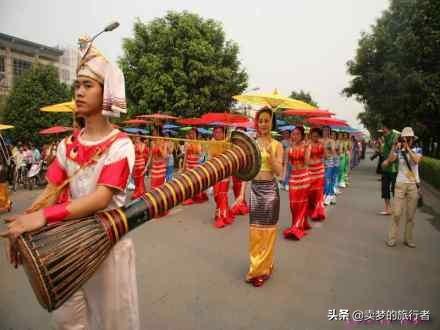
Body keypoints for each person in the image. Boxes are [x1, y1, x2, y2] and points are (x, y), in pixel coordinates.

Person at [1, 39, 140, 329]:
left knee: (110, 321)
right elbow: (50, 193)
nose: (78, 91)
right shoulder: (67, 145)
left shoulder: (121, 145)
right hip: (68, 246)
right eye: (77, 84)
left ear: (106, 93)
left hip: (108, 244)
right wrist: (23, 227)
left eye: (88, 85)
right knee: (69, 321)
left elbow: (100, 199)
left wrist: (40, 218)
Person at [246, 107, 283, 287]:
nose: (263, 124)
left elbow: (280, 172)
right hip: (254, 190)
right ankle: (258, 266)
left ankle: (261, 270)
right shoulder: (251, 144)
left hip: (269, 191)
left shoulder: (277, 145)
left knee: (267, 232)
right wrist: (240, 195)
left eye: (267, 120)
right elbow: (246, 171)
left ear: (271, 122)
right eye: (260, 120)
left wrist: (270, 157)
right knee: (255, 232)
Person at [384, 127, 422, 248]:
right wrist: (394, 147)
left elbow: (416, 161)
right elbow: (390, 160)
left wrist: (408, 149)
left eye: (408, 139)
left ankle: (408, 239)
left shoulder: (418, 149)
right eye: (404, 138)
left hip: (413, 185)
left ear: (412, 139)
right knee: (397, 213)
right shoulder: (399, 149)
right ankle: (391, 238)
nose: (406, 140)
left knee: (410, 215)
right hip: (400, 184)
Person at [284, 126, 311, 240]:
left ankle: (297, 226)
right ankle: (298, 223)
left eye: (297, 134)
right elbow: (285, 163)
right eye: (293, 134)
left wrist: (306, 149)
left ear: (302, 135)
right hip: (293, 177)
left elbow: (307, 162)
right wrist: (283, 176)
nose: (294, 136)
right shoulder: (288, 149)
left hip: (303, 177)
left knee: (302, 203)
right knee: (293, 204)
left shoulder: (306, 147)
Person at [209, 126, 235, 228]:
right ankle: (224, 210)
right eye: (215, 132)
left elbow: (231, 160)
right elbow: (210, 158)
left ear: (224, 133)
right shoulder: (211, 143)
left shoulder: (228, 143)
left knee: (221, 195)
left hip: (225, 173)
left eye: (219, 132)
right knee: (216, 195)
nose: (217, 134)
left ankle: (222, 217)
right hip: (215, 173)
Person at [182, 127, 208, 205]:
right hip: (188, 165)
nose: (191, 135)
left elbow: (202, 155)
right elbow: (185, 155)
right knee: (188, 182)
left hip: (196, 165)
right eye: (190, 133)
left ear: (196, 134)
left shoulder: (199, 143)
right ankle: (189, 197)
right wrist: (184, 167)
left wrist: (196, 147)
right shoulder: (187, 143)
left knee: (195, 181)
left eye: (193, 133)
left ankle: (197, 196)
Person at [380, 121, 398, 215]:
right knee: (385, 188)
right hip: (385, 168)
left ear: (386, 127)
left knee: (395, 189)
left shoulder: (394, 135)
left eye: (382, 126)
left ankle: (396, 208)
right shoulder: (384, 137)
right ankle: (387, 208)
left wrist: (387, 161)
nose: (382, 128)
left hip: (394, 168)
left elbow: (394, 150)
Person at [308, 128, 326, 221]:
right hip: (310, 171)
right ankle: (311, 210)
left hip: (319, 170)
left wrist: (324, 146)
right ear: (310, 135)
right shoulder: (307, 145)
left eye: (317, 136)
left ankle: (318, 212)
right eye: (313, 135)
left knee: (318, 192)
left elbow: (325, 156)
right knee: (310, 192)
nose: (315, 137)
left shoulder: (321, 144)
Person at [323, 127, 336, 206]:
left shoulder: (331, 141)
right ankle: (332, 195)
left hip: (329, 162)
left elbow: (333, 151)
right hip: (321, 162)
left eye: (327, 130)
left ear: (329, 132)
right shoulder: (320, 140)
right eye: (324, 130)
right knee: (324, 180)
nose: (325, 131)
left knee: (327, 179)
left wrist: (329, 148)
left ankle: (327, 196)